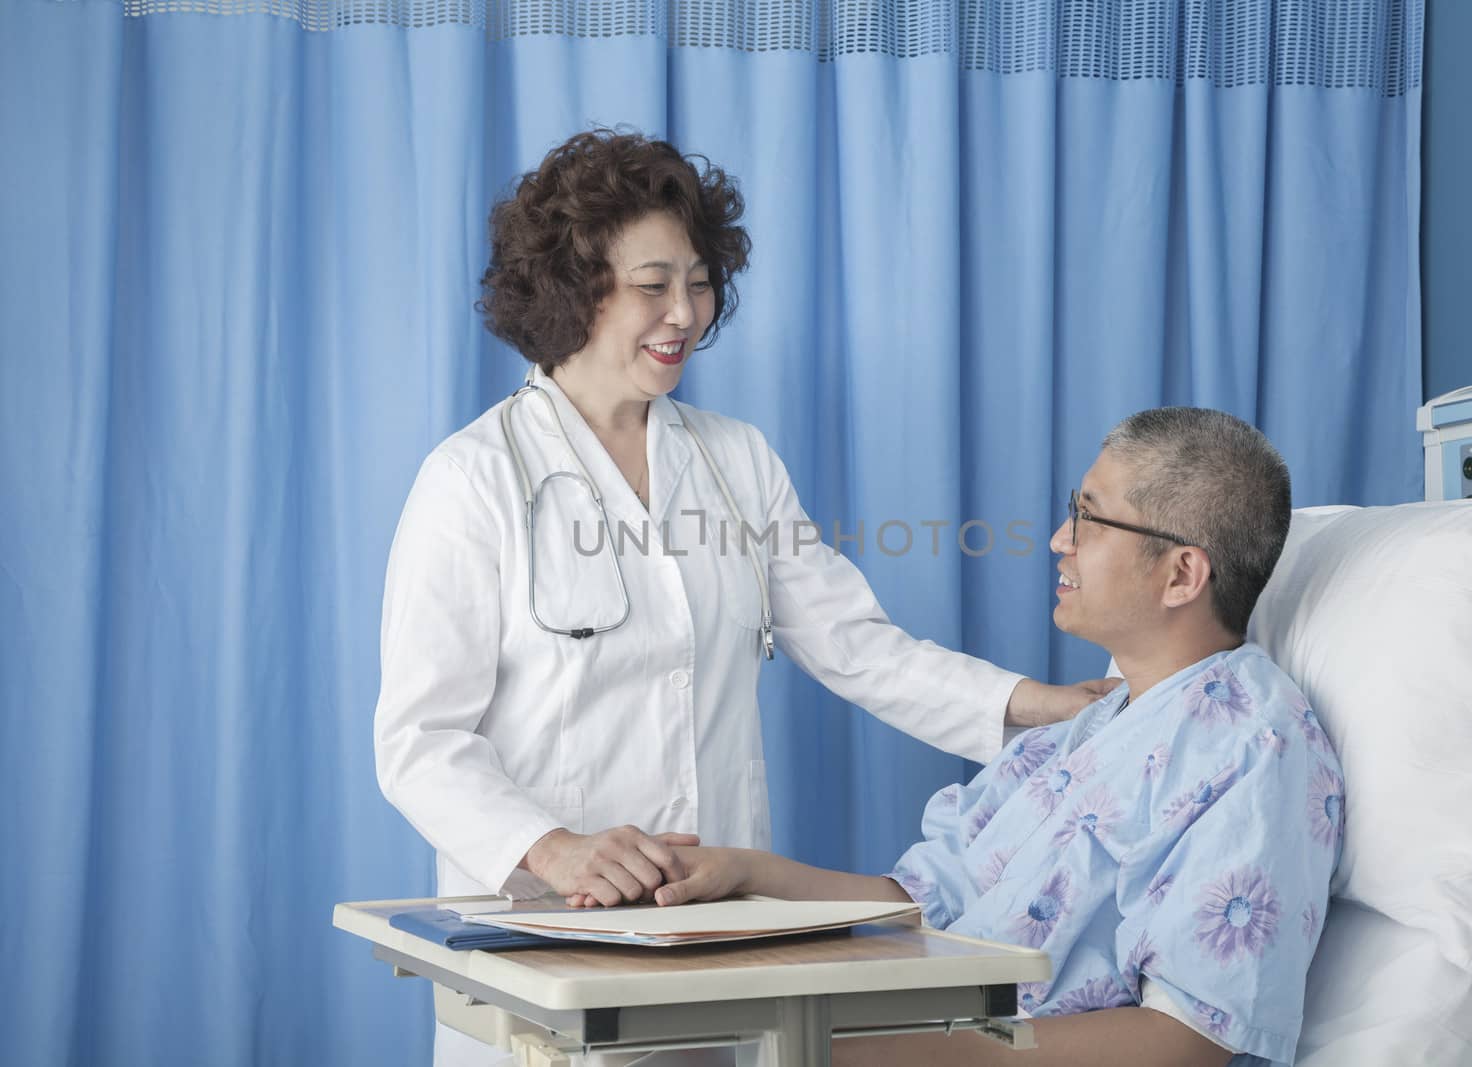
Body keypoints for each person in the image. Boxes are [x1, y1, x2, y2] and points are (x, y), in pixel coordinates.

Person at [372, 128, 1112, 1066]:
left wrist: (1035, 709)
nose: (685, 311)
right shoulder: (472, 480)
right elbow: (419, 740)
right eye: (653, 284)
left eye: (700, 280)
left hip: (718, 940)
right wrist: (552, 847)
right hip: (545, 942)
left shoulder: (733, 460)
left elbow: (856, 644)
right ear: (575, 287)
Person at [653, 408, 1345, 1067]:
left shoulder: (1258, 746)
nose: (1059, 539)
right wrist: (747, 874)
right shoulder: (1086, 731)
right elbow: (918, 900)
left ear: (1182, 574)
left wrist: (854, 1050)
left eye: (1089, 518)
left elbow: (1186, 1038)